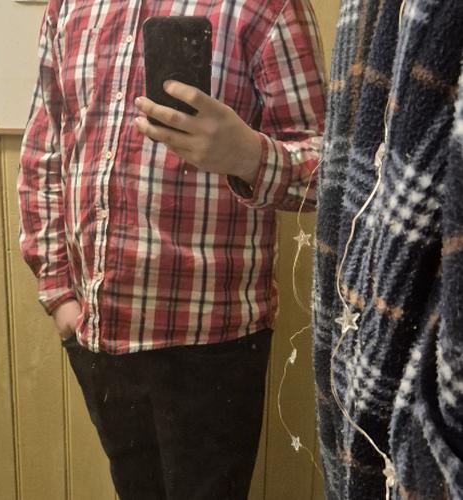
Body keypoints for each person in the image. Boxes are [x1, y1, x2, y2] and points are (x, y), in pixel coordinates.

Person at [17, 0, 325, 498]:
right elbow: (45, 149)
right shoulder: (69, 6)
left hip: (213, 343)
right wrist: (57, 292)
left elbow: (331, 167)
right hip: (96, 331)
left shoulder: (267, 6)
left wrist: (249, 156)